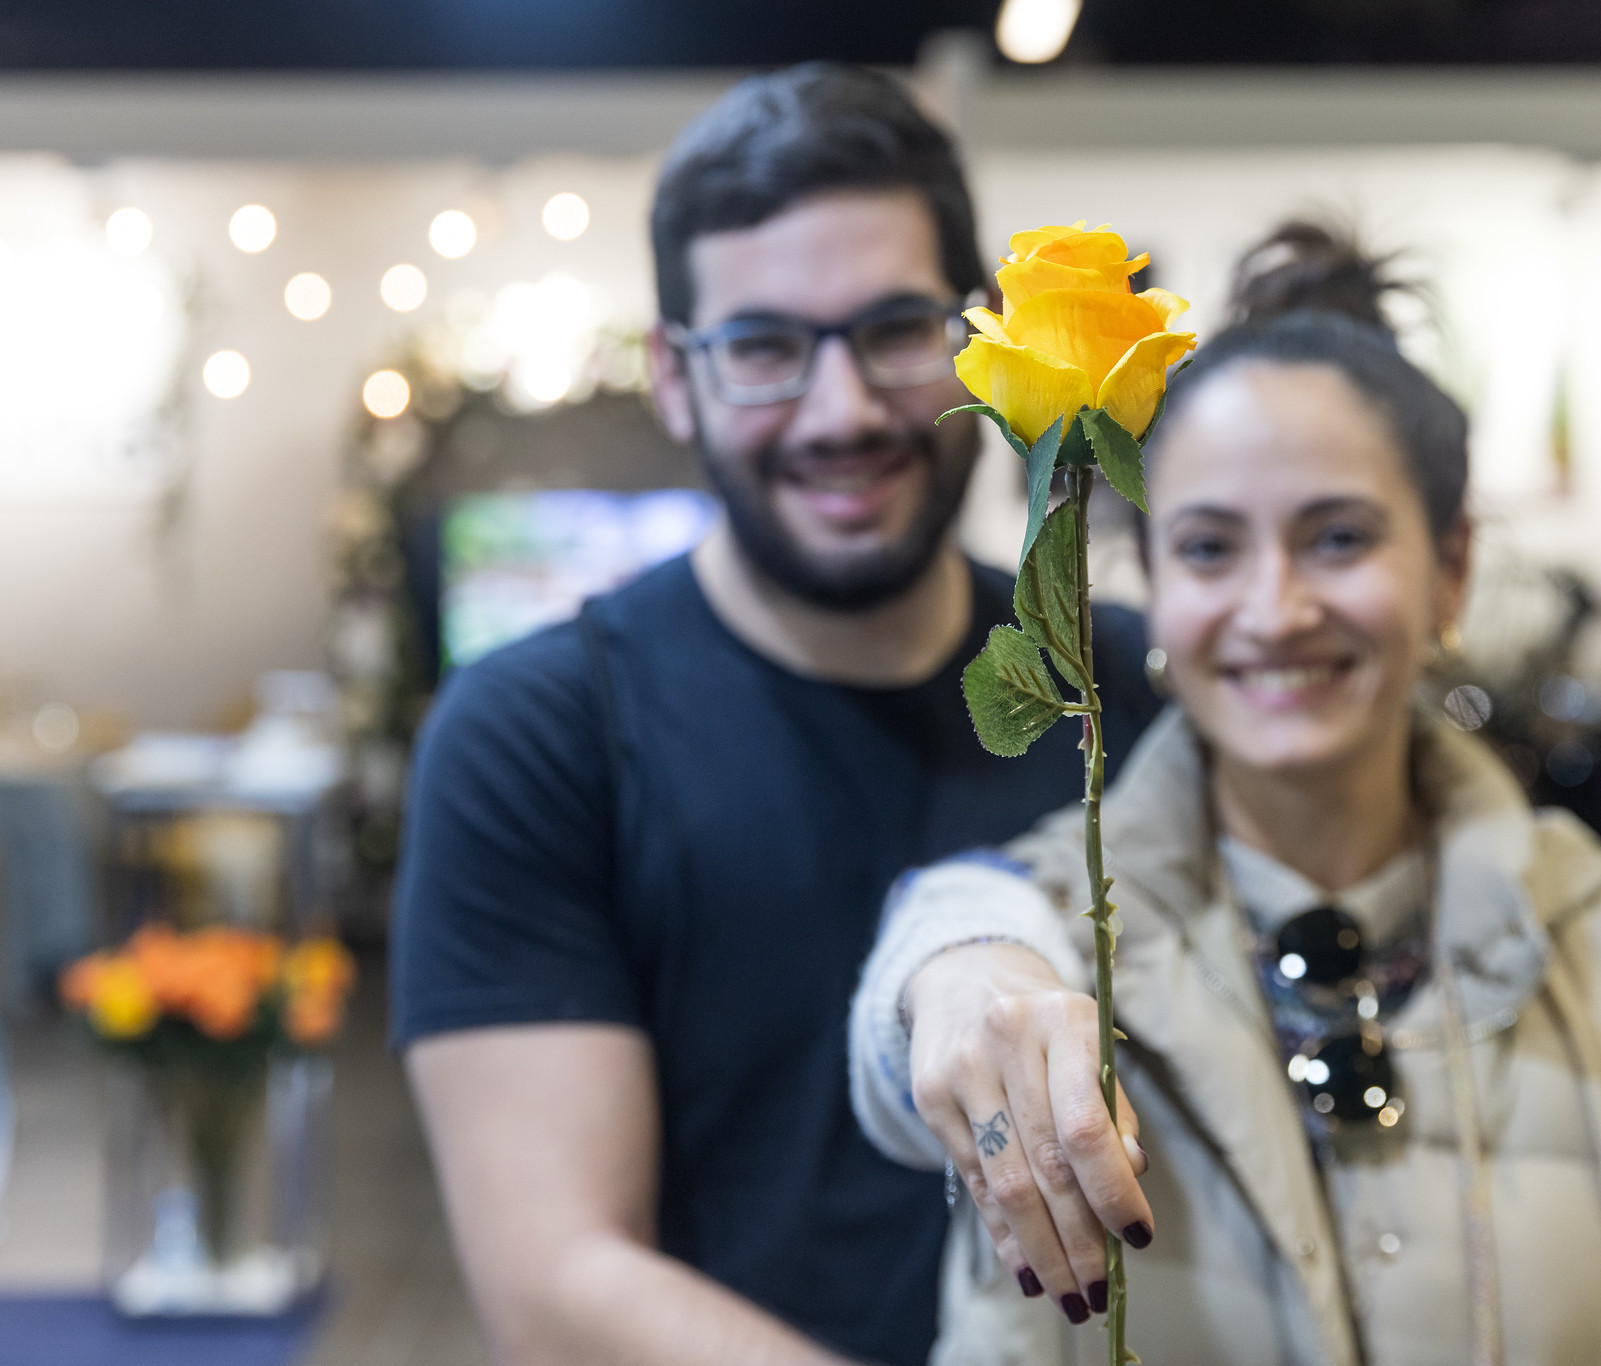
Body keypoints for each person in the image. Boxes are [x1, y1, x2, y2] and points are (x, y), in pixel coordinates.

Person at [848, 222, 1601, 1365]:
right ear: (1149, 581)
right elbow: (930, 990)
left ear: (1448, 566)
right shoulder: (1034, 931)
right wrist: (953, 977)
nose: (1275, 607)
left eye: (1337, 537)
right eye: (1208, 549)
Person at [391, 65, 1161, 1366]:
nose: (842, 409)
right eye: (762, 349)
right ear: (676, 379)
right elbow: (555, 1279)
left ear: (980, 337)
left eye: (896, 331)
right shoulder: (536, 733)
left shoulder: (1125, 684)